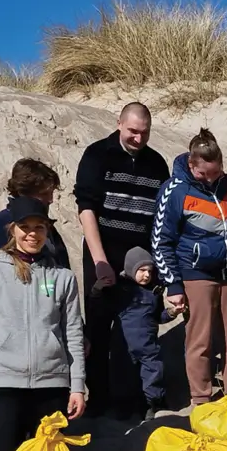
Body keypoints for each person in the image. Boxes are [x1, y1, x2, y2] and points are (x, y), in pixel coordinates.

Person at [0, 197, 86, 451]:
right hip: (3, 386)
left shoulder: (63, 277)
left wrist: (77, 385)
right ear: (12, 230)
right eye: (25, 227)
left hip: (52, 386)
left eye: (39, 227)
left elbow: (73, 334)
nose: (32, 234)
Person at [73, 103, 168, 414]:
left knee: (137, 331)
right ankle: (99, 400)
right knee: (100, 329)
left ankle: (136, 400)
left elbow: (159, 218)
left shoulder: (156, 163)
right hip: (103, 253)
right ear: (119, 124)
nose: (138, 138)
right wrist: (100, 261)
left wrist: (155, 264)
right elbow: (86, 209)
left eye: (144, 133)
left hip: (140, 259)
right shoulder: (98, 154)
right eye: (132, 132)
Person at [151, 128, 227, 407]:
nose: (211, 178)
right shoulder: (175, 189)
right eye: (204, 173)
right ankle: (201, 399)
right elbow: (160, 241)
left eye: (216, 172)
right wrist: (173, 284)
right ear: (192, 164)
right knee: (199, 341)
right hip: (195, 273)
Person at [0, 159, 70, 269]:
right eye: (44, 194)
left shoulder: (47, 228)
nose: (51, 200)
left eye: (51, 193)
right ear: (23, 193)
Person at [118, 247, 169, 419]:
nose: (146, 275)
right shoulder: (119, 290)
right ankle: (127, 408)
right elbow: (102, 310)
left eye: (150, 271)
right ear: (131, 268)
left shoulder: (154, 293)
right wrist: (96, 290)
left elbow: (158, 317)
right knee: (125, 378)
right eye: (141, 270)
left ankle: (154, 405)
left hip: (149, 347)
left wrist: (172, 313)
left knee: (153, 375)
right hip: (124, 346)